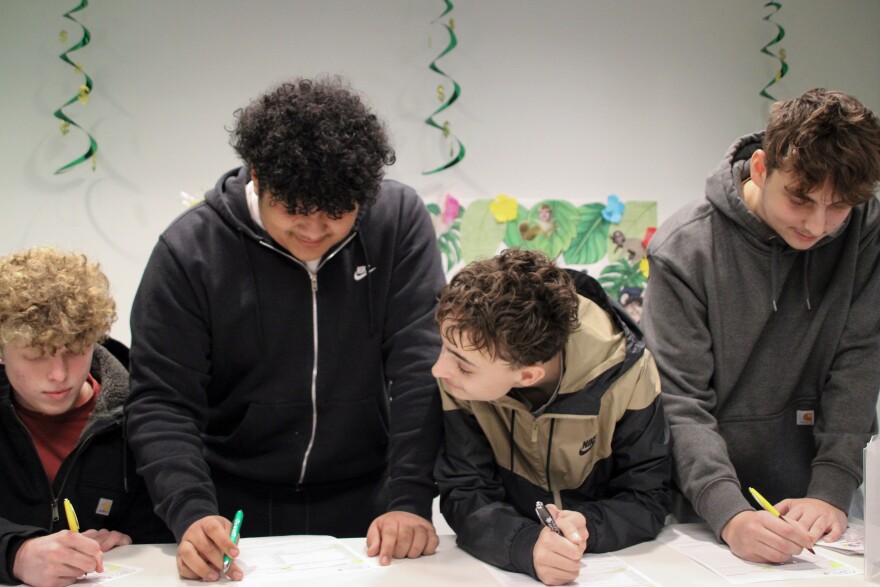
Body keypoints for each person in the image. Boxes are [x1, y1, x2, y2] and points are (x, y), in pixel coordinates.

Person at [125, 76, 446, 582]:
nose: (314, 231)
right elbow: (162, 400)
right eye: (294, 210)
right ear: (257, 176)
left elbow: (419, 366)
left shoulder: (398, 223)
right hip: (230, 506)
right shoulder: (191, 251)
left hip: (367, 501)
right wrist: (190, 512)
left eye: (337, 213)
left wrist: (410, 497)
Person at [641, 88, 880, 564]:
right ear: (760, 168)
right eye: (800, 199)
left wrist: (831, 488)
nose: (817, 224)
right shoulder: (685, 249)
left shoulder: (864, 230)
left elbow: (858, 363)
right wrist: (729, 514)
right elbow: (680, 402)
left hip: (824, 510)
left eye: (837, 207)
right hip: (704, 510)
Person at [432, 249, 671, 586]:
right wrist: (524, 544)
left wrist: (585, 527)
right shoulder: (460, 376)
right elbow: (464, 492)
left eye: (463, 366)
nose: (438, 369)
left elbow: (648, 497)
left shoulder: (628, 374)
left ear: (527, 376)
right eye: (443, 347)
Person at [0, 247, 172, 587]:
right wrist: (15, 554)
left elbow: (164, 526)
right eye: (36, 356)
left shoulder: (141, 411)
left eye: (75, 351)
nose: (59, 375)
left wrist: (132, 543)